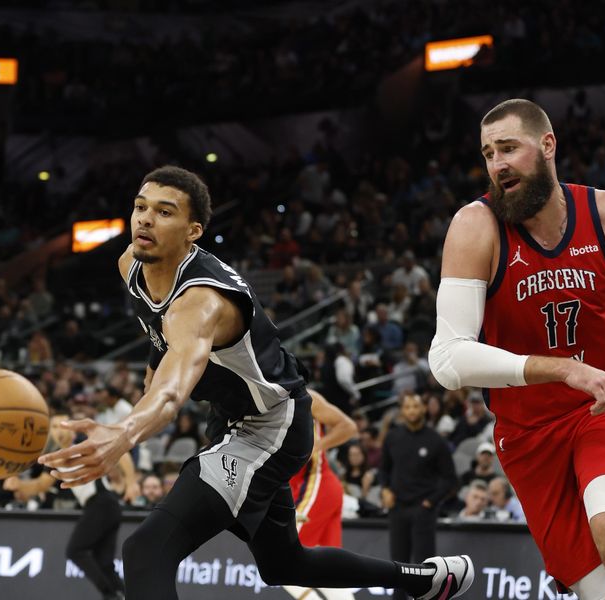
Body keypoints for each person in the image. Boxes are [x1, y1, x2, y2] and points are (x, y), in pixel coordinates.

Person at [40, 165, 473, 600]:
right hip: (230, 419)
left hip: (271, 424)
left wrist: (124, 432)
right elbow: (163, 343)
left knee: (145, 551)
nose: (145, 219)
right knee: (284, 563)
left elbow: (173, 390)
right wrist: (150, 383)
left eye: (164, 212)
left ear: (193, 231)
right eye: (140, 207)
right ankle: (425, 580)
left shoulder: (203, 302)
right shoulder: (131, 265)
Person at [429, 98, 605, 599]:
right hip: (529, 437)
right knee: (603, 590)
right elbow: (448, 358)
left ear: (547, 146)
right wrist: (562, 370)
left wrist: (581, 377)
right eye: (488, 153)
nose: (497, 164)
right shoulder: (476, 227)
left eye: (508, 148)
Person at [5, 414, 137, 600]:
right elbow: (40, 486)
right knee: (105, 563)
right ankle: (126, 596)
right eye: (55, 427)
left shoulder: (82, 446)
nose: (58, 430)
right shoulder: (56, 458)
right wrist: (18, 486)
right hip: (105, 507)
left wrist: (131, 483)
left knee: (75, 551)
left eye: (62, 426)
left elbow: (122, 454)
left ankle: (110, 595)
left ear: (71, 429)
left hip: (102, 503)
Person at [380, 394, 459, 600]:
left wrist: (430, 502)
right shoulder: (392, 437)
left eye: (416, 406)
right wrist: (385, 489)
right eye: (408, 407)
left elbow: (449, 479)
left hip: (423, 510)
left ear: (423, 408)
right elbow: (384, 470)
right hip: (397, 508)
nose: (412, 411)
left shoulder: (436, 440)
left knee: (425, 566)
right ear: (402, 411)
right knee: (397, 566)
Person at [284, 388, 358, 600]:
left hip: (316, 485)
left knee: (280, 557)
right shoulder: (262, 400)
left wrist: (317, 446)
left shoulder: (306, 397)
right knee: (330, 572)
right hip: (307, 488)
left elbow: (348, 426)